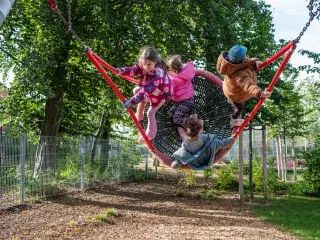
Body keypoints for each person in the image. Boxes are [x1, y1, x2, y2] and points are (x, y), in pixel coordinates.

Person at [117, 46, 172, 142]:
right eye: (143, 64)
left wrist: (131, 101)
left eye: (149, 64)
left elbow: (146, 91)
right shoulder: (142, 65)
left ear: (155, 62)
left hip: (161, 94)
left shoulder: (158, 74)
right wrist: (122, 70)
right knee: (136, 90)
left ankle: (150, 135)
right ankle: (139, 117)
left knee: (150, 113)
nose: (146, 67)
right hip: (151, 90)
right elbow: (133, 70)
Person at [216, 45, 272, 126]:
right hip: (235, 94)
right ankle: (234, 120)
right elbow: (248, 85)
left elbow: (246, 63)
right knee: (239, 107)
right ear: (239, 60)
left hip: (229, 86)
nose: (247, 56)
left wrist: (255, 63)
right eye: (245, 55)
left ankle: (233, 113)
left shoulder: (232, 63)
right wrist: (260, 92)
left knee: (239, 105)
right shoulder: (239, 75)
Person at [171, 114, 235, 170]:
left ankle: (178, 162)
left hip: (194, 160)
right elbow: (221, 143)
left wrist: (179, 126)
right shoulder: (204, 137)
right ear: (199, 129)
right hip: (205, 158)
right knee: (214, 142)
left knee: (182, 152)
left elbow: (183, 152)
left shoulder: (185, 142)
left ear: (187, 131)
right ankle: (195, 120)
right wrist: (231, 140)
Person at [167, 54, 196, 139]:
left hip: (186, 101)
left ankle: (193, 124)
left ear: (174, 70)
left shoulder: (176, 79)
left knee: (176, 118)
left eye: (171, 69)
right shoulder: (187, 70)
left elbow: (170, 90)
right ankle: (187, 119)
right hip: (185, 100)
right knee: (171, 113)